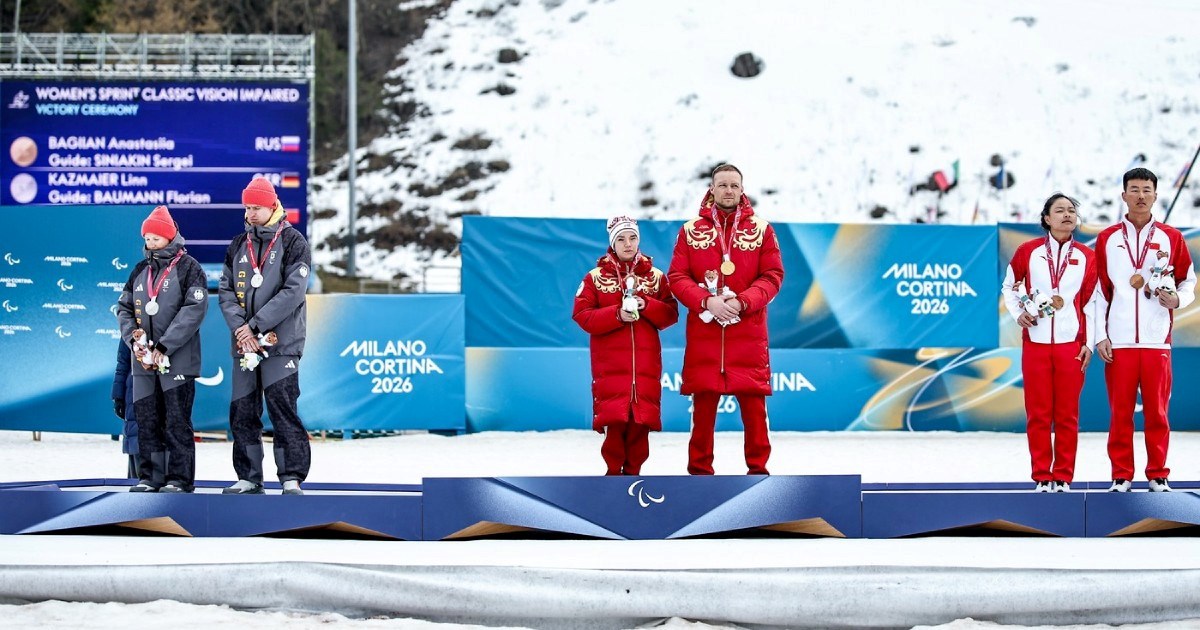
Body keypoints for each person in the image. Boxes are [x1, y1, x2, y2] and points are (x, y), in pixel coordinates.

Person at [668, 164, 784, 475]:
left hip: (748, 335)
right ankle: (699, 474)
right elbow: (677, 277)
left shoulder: (762, 230)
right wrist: (707, 301)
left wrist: (743, 302)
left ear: (742, 190)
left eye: (734, 185)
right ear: (712, 189)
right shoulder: (690, 231)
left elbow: (773, 276)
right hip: (706, 337)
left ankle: (759, 474)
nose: (729, 190)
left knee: (755, 413)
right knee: (702, 413)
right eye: (723, 185)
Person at [1094, 167, 1196, 492]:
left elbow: (1189, 280)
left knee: (1158, 413)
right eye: (1134, 189)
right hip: (1120, 341)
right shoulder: (1108, 239)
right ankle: (1121, 474)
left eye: (1146, 189)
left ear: (1155, 194)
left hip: (1156, 341)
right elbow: (1098, 291)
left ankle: (1158, 474)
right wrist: (1100, 335)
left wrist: (1177, 298)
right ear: (1123, 195)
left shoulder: (1171, 238)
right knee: (1120, 414)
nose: (1140, 195)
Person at [218, 176, 313, 495]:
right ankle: (248, 476)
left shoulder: (294, 241)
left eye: (256, 207)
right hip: (244, 345)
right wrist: (240, 328)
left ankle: (291, 478)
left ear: (272, 206)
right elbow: (225, 290)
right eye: (246, 207)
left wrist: (255, 324)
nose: (250, 213)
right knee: (243, 411)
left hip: (280, 344)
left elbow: (293, 291)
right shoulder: (237, 244)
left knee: (283, 408)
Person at [1001, 193, 1098, 492]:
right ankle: (1042, 475)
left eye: (1072, 210)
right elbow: (1009, 286)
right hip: (1037, 343)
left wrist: (1089, 343)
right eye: (1060, 210)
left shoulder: (1086, 256)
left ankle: (1064, 476)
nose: (1067, 215)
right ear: (1046, 218)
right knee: (1039, 413)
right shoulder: (1027, 251)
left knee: (1068, 414)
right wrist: (1019, 314)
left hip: (1071, 344)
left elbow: (1093, 302)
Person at [572, 216, 679, 475]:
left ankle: (634, 477)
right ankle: (612, 478)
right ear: (612, 243)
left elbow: (671, 314)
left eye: (632, 237)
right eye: (621, 238)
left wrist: (648, 305)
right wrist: (616, 315)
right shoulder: (595, 277)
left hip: (645, 371)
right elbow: (582, 315)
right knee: (615, 428)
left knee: (640, 429)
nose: (627, 244)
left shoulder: (656, 277)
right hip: (610, 371)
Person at [116, 205, 208, 493]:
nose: (151, 243)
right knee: (147, 420)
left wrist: (165, 346)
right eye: (148, 238)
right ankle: (150, 477)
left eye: (157, 238)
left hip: (177, 360)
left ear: (170, 237)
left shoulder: (189, 267)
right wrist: (136, 341)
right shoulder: (139, 270)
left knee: (177, 422)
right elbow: (124, 308)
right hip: (144, 362)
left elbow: (194, 309)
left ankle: (179, 479)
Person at [110, 340, 139, 479]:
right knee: (135, 441)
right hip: (133, 392)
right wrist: (118, 395)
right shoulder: (130, 325)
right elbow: (123, 363)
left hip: (158, 391)